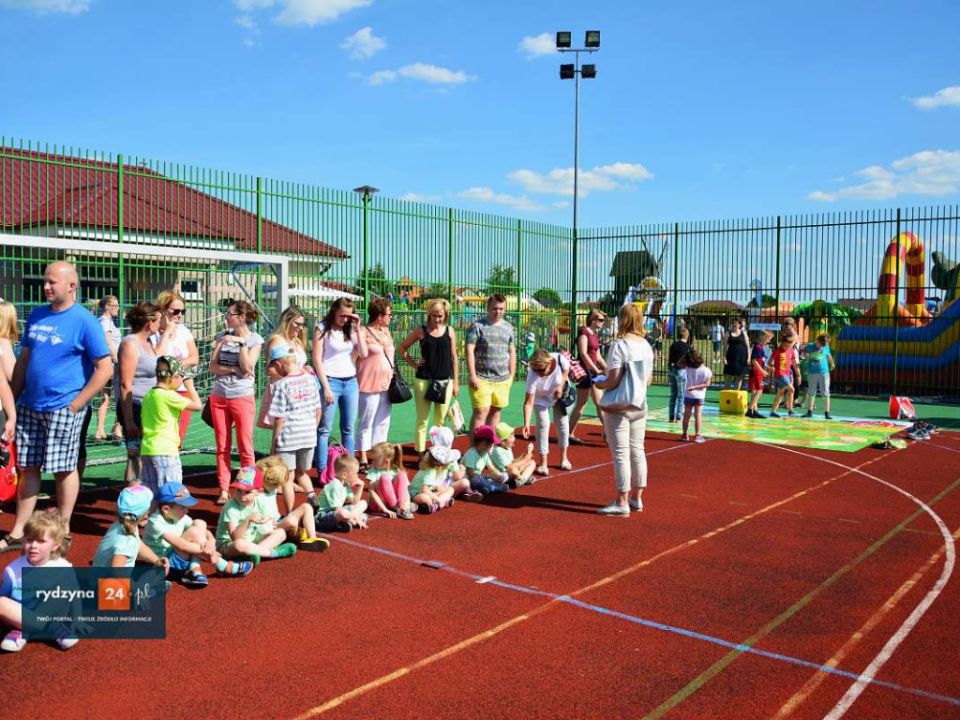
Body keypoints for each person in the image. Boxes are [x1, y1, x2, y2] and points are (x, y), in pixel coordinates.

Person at [1, 262, 112, 553]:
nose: (46, 286)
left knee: (64, 469)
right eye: (45, 281)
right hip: (30, 406)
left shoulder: (85, 321)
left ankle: (63, 529)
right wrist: (12, 402)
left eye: (52, 282)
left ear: (71, 286)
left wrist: (76, 404)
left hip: (64, 407)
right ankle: (19, 531)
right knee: (28, 467)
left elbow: (105, 368)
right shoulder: (37, 315)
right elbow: (24, 361)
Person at [594, 303, 655, 516]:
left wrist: (600, 383)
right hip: (639, 404)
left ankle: (621, 501)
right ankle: (636, 498)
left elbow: (613, 379)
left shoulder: (619, 345)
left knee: (621, 453)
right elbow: (648, 380)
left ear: (623, 320)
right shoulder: (646, 345)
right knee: (638, 450)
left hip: (619, 406)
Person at [143, 482, 253, 587]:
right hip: (165, 566)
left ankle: (194, 569)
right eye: (183, 507)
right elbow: (182, 546)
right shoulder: (155, 522)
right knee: (194, 533)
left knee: (200, 523)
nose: (187, 511)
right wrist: (209, 552)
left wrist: (211, 542)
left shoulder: (177, 515)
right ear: (166, 509)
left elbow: (205, 531)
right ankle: (222, 565)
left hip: (177, 557)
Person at [209, 300, 264, 505]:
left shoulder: (255, 340)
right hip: (219, 396)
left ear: (241, 317)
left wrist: (241, 343)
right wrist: (233, 369)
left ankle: (248, 486)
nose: (226, 317)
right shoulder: (221, 336)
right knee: (222, 445)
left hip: (242, 397)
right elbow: (212, 367)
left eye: (229, 314)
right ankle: (224, 490)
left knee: (245, 445)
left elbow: (248, 367)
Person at [0, 510, 78, 653]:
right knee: (1, 602)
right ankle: (52, 629)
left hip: (50, 614)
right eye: (29, 540)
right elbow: (4, 599)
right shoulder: (12, 570)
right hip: (21, 619)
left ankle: (24, 633)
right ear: (23, 540)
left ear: (55, 545)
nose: (33, 545)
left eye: (41, 541)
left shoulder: (63, 568)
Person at [313, 298, 368, 475]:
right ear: (334, 311)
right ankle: (322, 471)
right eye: (342, 315)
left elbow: (364, 353)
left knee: (348, 429)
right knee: (324, 429)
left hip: (350, 382)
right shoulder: (322, 328)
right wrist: (326, 387)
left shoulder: (350, 329)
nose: (345, 319)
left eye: (348, 316)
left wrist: (357, 329)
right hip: (330, 381)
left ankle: (349, 471)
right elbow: (317, 359)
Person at [398, 298, 459, 453]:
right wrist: (414, 364)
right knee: (422, 420)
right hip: (424, 380)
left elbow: (454, 357)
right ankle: (420, 452)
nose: (437, 319)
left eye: (440, 316)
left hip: (445, 381)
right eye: (434, 315)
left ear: (446, 315)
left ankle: (439, 453)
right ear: (429, 314)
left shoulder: (450, 331)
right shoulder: (421, 331)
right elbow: (402, 348)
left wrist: (456, 382)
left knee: (440, 421)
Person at [266, 345, 322, 510]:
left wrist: (273, 444)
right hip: (308, 435)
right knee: (301, 472)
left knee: (287, 479)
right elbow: (318, 410)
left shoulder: (282, 385)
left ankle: (290, 512)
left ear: (278, 363)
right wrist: (312, 429)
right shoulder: (310, 379)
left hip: (289, 437)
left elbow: (279, 419)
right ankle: (311, 495)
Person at [140, 356, 202, 494]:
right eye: (180, 376)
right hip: (166, 451)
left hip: (147, 450)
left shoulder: (149, 395)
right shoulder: (167, 396)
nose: (181, 381)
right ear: (173, 377)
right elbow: (198, 405)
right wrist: (189, 385)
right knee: (173, 494)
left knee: (152, 494)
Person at [92, 485, 171, 590]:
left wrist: (156, 560)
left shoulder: (123, 525)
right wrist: (135, 589)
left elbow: (139, 546)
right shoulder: (126, 540)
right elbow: (116, 572)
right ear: (145, 515)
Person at [117, 302, 163, 483]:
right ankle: (133, 495)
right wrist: (129, 422)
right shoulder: (130, 344)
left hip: (149, 408)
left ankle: (145, 492)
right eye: (158, 320)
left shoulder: (149, 342)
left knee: (148, 456)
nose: (161, 324)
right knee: (135, 456)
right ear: (149, 323)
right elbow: (125, 385)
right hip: (135, 408)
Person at [214, 466, 299, 561]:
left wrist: (268, 521)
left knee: (281, 533)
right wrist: (248, 520)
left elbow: (269, 519)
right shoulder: (230, 507)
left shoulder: (260, 500)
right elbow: (235, 537)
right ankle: (274, 553)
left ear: (259, 491)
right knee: (239, 544)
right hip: (229, 544)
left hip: (252, 540)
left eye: (247, 492)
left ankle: (253, 554)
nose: (242, 496)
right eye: (238, 490)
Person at [255, 456, 330, 552]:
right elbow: (253, 514)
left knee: (307, 507)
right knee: (292, 521)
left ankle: (312, 538)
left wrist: (293, 483)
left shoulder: (271, 487)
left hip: (279, 521)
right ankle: (297, 534)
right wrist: (267, 521)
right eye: (275, 484)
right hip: (269, 527)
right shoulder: (256, 495)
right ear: (265, 479)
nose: (277, 487)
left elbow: (284, 478)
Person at [153, 291, 200, 445]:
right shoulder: (153, 332)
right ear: (163, 309)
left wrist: (171, 367)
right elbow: (154, 360)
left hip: (182, 389)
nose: (180, 315)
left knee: (177, 439)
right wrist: (166, 333)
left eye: (182, 311)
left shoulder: (184, 331)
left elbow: (194, 358)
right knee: (160, 436)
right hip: (160, 390)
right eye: (176, 311)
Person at [465, 294, 516, 432]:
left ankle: (489, 443)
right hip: (481, 378)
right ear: (488, 308)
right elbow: (469, 350)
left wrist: (511, 376)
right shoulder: (477, 326)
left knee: (495, 412)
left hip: (502, 379)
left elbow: (512, 352)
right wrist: (472, 375)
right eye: (495, 308)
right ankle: (475, 445)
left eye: (501, 309)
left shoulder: (508, 327)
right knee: (481, 412)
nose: (498, 311)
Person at [356, 299, 395, 468]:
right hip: (368, 384)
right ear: (379, 316)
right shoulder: (363, 332)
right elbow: (356, 356)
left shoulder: (386, 331)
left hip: (387, 384)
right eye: (389, 314)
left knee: (383, 421)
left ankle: (378, 456)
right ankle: (363, 456)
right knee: (366, 421)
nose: (390, 317)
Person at [521, 349, 573, 475]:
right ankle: (543, 463)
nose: (538, 373)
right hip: (540, 397)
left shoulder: (560, 359)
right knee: (543, 425)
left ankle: (564, 458)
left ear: (549, 363)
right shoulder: (532, 374)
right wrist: (526, 424)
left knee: (562, 423)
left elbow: (566, 370)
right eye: (536, 370)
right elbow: (528, 403)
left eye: (541, 370)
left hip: (558, 394)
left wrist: (560, 386)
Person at [259, 306, 311, 430]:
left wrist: (305, 369)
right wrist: (299, 373)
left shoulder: (298, 341)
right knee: (282, 430)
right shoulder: (277, 341)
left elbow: (298, 364)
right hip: (283, 392)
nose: (300, 328)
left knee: (297, 429)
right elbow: (271, 370)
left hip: (300, 392)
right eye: (297, 324)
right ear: (286, 321)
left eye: (302, 324)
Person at [569, 309, 608, 444]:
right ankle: (568, 433)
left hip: (594, 373)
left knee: (601, 403)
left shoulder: (595, 335)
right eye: (600, 320)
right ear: (593, 320)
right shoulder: (584, 332)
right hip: (585, 373)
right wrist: (596, 369)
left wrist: (607, 369)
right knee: (581, 404)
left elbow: (598, 355)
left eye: (603, 320)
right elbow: (583, 353)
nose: (602, 322)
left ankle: (608, 433)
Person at [93, 295, 123, 441]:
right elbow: (109, 343)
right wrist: (118, 361)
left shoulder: (108, 321)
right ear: (106, 307)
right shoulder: (105, 322)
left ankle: (105, 430)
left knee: (106, 397)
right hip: (112, 364)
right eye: (115, 306)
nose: (117, 308)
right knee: (121, 396)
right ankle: (114, 429)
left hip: (108, 363)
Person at [312, 454, 369, 531]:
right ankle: (351, 521)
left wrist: (361, 486)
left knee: (363, 503)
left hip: (338, 513)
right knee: (344, 513)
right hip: (323, 517)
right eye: (355, 473)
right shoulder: (334, 486)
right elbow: (338, 510)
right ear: (344, 475)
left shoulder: (345, 484)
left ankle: (348, 521)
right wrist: (356, 517)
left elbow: (354, 502)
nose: (357, 476)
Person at [364, 442, 415, 520]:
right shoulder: (374, 470)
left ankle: (402, 507)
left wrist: (406, 504)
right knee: (385, 477)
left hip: (393, 503)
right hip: (378, 504)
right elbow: (372, 492)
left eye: (375, 460)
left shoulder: (395, 469)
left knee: (402, 474)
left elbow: (405, 490)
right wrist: (385, 510)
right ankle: (397, 507)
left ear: (386, 461)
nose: (372, 462)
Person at [461, 425, 510, 496]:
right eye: (492, 444)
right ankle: (493, 488)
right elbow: (471, 475)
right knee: (478, 479)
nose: (493, 446)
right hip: (469, 480)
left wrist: (499, 475)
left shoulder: (485, 453)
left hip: (482, 479)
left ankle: (488, 487)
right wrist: (489, 476)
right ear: (484, 444)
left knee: (505, 475)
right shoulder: (471, 453)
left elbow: (492, 468)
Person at [680, 349, 712, 443]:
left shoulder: (688, 368)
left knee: (686, 415)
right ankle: (697, 436)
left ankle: (684, 435)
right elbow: (707, 384)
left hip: (688, 395)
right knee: (698, 415)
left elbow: (679, 363)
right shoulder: (707, 371)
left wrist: (685, 356)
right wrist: (695, 387)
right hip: (699, 396)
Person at [492, 422, 537, 488]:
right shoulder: (497, 451)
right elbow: (509, 467)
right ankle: (523, 479)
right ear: (503, 441)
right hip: (503, 475)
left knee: (531, 462)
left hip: (512, 471)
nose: (514, 438)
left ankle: (521, 480)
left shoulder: (507, 447)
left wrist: (524, 455)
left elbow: (513, 461)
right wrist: (524, 460)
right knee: (513, 470)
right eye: (511, 437)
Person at [804, 333, 835, 419]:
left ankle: (827, 413)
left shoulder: (826, 346)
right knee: (811, 391)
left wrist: (832, 363)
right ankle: (809, 412)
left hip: (824, 372)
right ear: (817, 341)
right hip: (812, 372)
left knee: (825, 392)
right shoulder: (810, 346)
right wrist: (808, 357)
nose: (821, 346)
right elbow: (804, 353)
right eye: (820, 344)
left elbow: (828, 355)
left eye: (824, 345)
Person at [768, 332, 798, 418]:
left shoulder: (791, 350)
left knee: (781, 392)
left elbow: (794, 363)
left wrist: (798, 374)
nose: (789, 345)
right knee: (791, 389)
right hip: (780, 374)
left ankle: (773, 411)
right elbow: (770, 361)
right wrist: (771, 367)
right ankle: (790, 410)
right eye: (788, 343)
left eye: (791, 343)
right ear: (783, 342)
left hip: (788, 374)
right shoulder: (778, 350)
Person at [746, 330, 773, 419]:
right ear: (763, 337)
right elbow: (754, 360)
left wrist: (767, 367)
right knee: (759, 391)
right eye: (768, 339)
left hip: (758, 372)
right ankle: (750, 409)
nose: (769, 341)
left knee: (755, 391)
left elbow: (760, 360)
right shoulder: (758, 347)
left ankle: (755, 410)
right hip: (757, 373)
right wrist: (762, 371)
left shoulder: (759, 347)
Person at [666, 327, 691, 423]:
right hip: (681, 371)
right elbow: (688, 361)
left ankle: (671, 417)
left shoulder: (673, 345)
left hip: (671, 369)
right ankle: (679, 417)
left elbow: (670, 357)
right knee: (681, 395)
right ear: (686, 336)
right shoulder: (687, 347)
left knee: (673, 394)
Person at [722, 318, 749, 391]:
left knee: (739, 377)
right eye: (733, 323)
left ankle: (736, 394)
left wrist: (748, 358)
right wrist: (724, 357)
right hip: (730, 358)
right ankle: (727, 395)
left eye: (736, 323)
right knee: (728, 376)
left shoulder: (744, 333)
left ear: (739, 325)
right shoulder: (728, 333)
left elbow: (747, 346)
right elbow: (724, 347)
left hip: (741, 358)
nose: (734, 324)